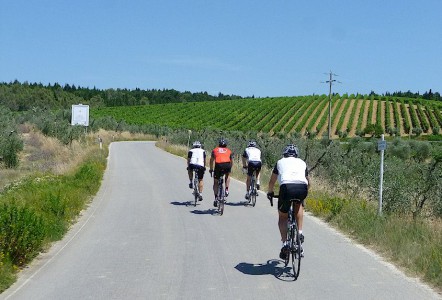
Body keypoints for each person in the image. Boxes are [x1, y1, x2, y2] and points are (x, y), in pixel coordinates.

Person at [267, 144, 310, 259]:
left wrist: (270, 192)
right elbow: (308, 181)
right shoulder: (302, 162)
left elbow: (272, 181)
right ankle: (300, 233)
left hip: (286, 187)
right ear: (296, 155)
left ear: (284, 154)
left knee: (283, 217)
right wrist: (304, 195)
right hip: (302, 187)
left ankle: (285, 244)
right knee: (299, 205)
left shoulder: (280, 162)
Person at [209, 138, 234, 207]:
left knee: (216, 182)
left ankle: (216, 197)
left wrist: (211, 169)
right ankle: (226, 189)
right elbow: (231, 161)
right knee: (227, 176)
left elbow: (211, 161)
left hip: (218, 165)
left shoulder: (215, 150)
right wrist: (230, 169)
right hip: (227, 165)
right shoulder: (229, 151)